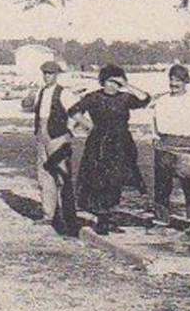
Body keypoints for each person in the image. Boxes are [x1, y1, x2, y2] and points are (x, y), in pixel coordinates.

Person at [67, 65, 151, 235]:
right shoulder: (93, 98)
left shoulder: (125, 98)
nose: (113, 86)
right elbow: (74, 111)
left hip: (121, 143)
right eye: (110, 81)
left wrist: (126, 85)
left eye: (116, 82)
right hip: (100, 144)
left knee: (116, 180)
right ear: (103, 81)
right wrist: (89, 126)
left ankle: (109, 217)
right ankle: (102, 219)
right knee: (100, 180)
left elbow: (145, 99)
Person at [20, 59, 77, 235]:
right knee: (44, 176)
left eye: (51, 73)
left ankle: (68, 217)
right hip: (41, 136)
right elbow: (30, 109)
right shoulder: (40, 92)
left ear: (57, 75)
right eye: (45, 73)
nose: (47, 76)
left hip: (58, 138)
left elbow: (77, 113)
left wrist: (69, 131)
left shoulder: (65, 93)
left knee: (62, 177)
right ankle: (48, 214)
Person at [151, 63, 190, 227]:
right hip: (166, 143)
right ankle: (161, 219)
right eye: (171, 80)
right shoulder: (162, 101)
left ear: (186, 81)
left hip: (188, 143)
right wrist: (156, 138)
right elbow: (154, 124)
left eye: (178, 80)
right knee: (162, 185)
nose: (174, 84)